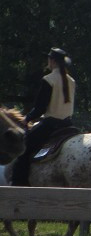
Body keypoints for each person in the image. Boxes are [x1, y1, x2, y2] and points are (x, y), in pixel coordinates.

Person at [12, 47, 76, 186]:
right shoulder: (71, 81)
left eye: (49, 58)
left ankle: (19, 185)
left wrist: (27, 118)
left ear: (52, 61)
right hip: (69, 125)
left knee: (23, 148)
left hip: (51, 125)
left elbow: (40, 108)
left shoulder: (49, 79)